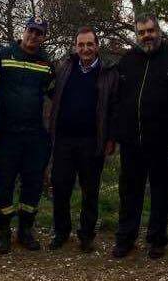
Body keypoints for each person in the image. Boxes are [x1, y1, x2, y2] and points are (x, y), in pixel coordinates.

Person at [111, 13, 168, 259]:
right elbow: (117, 99)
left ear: (159, 31)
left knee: (162, 193)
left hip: (163, 142)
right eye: (141, 32)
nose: (146, 36)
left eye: (150, 31)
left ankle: (157, 239)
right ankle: (125, 238)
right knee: (129, 192)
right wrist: (118, 132)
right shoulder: (127, 60)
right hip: (132, 141)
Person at [0, 18, 56, 253]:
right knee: (4, 184)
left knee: (32, 184)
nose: (33, 36)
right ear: (23, 31)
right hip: (6, 134)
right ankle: (3, 232)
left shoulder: (46, 63)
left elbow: (56, 95)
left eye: (39, 33)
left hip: (35, 135)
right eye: (31, 31)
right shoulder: (2, 56)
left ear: (43, 37)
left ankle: (25, 231)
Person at [47, 26, 118, 252]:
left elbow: (113, 108)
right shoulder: (65, 67)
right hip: (63, 140)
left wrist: (111, 138)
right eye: (81, 45)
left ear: (97, 46)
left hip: (92, 141)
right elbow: (52, 93)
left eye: (89, 44)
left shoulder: (108, 73)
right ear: (75, 47)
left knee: (90, 191)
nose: (85, 49)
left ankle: (86, 235)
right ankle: (61, 232)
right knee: (60, 187)